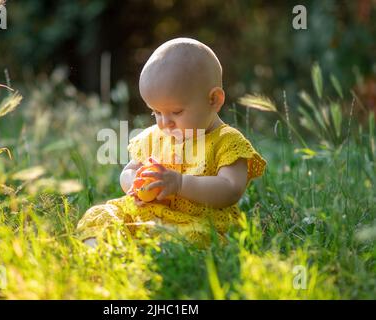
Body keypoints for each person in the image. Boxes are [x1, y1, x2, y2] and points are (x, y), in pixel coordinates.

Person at [76, 38, 266, 248]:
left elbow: (230, 189)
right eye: (156, 112)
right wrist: (136, 183)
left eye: (176, 112)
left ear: (214, 100)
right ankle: (101, 250)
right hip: (148, 213)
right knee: (103, 214)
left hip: (197, 221)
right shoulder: (153, 136)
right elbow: (128, 171)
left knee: (193, 237)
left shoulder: (227, 142)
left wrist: (181, 184)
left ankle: (149, 251)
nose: (165, 123)